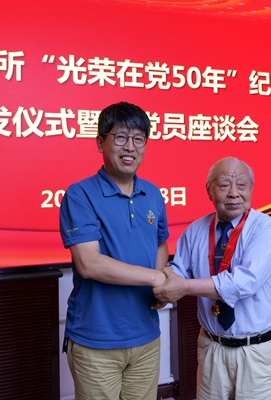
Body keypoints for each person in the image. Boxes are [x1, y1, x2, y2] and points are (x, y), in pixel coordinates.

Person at [59, 101, 169, 400]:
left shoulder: (153, 193)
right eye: (120, 137)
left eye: (138, 139)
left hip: (146, 336)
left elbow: (161, 243)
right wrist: (156, 278)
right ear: (100, 143)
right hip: (97, 339)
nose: (130, 147)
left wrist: (161, 284)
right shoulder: (80, 194)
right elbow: (89, 264)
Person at [153, 157, 271, 400]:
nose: (234, 193)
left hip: (257, 352)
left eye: (241, 185)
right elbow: (178, 270)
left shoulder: (266, 229)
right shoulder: (194, 231)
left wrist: (183, 287)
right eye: (224, 185)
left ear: (251, 189)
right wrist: (166, 284)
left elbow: (244, 282)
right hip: (212, 347)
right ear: (209, 191)